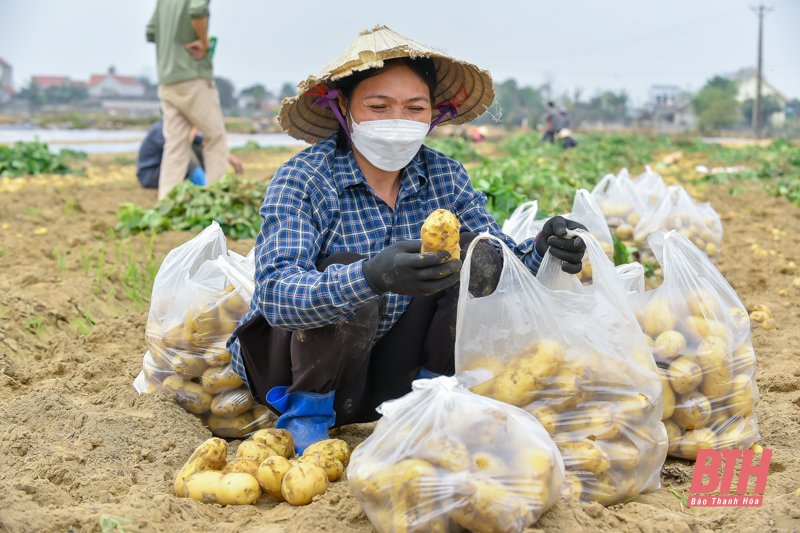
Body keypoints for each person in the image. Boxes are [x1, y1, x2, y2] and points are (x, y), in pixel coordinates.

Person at [226, 26, 586, 453]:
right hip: (294, 371)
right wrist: (369, 277)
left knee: (477, 254)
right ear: (344, 108)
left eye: (414, 108)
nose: (397, 121)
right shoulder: (305, 178)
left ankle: (432, 401)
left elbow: (499, 267)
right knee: (344, 268)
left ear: (432, 114)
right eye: (378, 106)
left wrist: (543, 249)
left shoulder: (445, 176)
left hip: (391, 372)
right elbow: (274, 296)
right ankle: (306, 417)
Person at [146, 0, 230, 200]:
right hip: (193, 76)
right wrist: (203, 41)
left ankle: (166, 204)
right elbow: (197, 10)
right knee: (215, 138)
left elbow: (151, 32)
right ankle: (215, 200)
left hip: (167, 79)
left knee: (175, 144)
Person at [135, 120, 244, 190]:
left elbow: (203, 143)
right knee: (185, 161)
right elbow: (181, 148)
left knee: (199, 149)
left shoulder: (179, 131)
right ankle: (205, 188)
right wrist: (193, 126)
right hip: (148, 175)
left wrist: (230, 158)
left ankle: (212, 183)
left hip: (162, 171)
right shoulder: (160, 130)